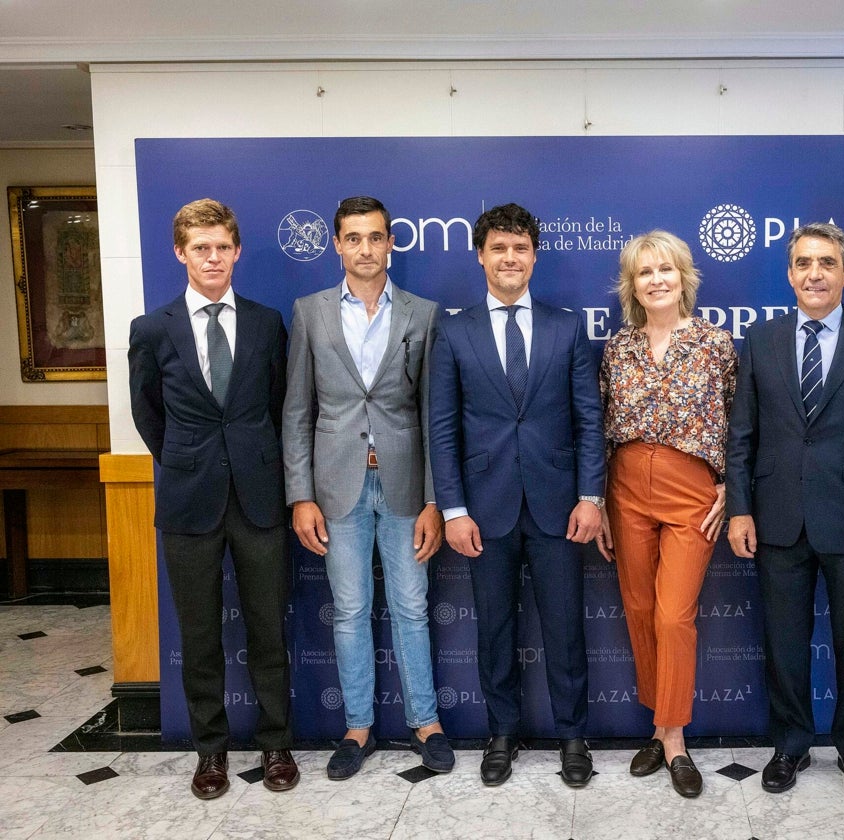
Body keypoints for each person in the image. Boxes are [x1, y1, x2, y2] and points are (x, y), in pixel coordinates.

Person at [726, 222, 844, 800]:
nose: (815, 273)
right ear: (789, 274)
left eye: (827, 263)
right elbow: (742, 437)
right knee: (784, 642)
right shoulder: (760, 340)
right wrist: (740, 509)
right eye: (804, 263)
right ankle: (790, 745)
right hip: (777, 517)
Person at [429, 202, 605, 788]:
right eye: (499, 248)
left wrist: (591, 496)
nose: (510, 258)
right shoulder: (453, 331)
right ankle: (500, 734)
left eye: (520, 248)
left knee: (565, 629)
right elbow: (443, 426)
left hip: (560, 506)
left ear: (534, 256)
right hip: (483, 508)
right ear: (480, 255)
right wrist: (453, 508)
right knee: (495, 630)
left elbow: (588, 418)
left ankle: (573, 735)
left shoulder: (566, 326)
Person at [129, 198, 298, 799]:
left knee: (267, 630)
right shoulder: (152, 329)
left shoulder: (265, 321)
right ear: (180, 253)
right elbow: (147, 411)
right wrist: (186, 459)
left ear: (237, 251)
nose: (213, 257)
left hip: (258, 498)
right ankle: (211, 753)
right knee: (199, 635)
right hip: (188, 502)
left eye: (222, 246)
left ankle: (277, 744)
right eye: (201, 247)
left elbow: (282, 407)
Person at [282, 195, 453, 779]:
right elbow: (297, 411)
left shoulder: (422, 314)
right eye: (353, 237)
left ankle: (425, 723)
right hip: (335, 488)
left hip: (406, 484)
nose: (365, 248)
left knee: (411, 606)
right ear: (337, 244)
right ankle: (358, 727)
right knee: (351, 610)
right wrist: (300, 495)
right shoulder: (309, 312)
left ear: (390, 242)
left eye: (375, 236)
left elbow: (435, 415)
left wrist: (435, 499)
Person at [593, 231, 736, 798]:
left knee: (674, 614)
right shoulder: (617, 347)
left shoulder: (714, 343)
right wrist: (598, 498)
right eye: (644, 272)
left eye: (666, 269)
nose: (656, 279)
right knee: (639, 606)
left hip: (691, 487)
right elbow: (601, 425)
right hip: (625, 483)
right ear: (631, 285)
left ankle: (672, 741)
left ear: (684, 278)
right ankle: (660, 725)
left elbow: (738, 422)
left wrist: (731, 488)